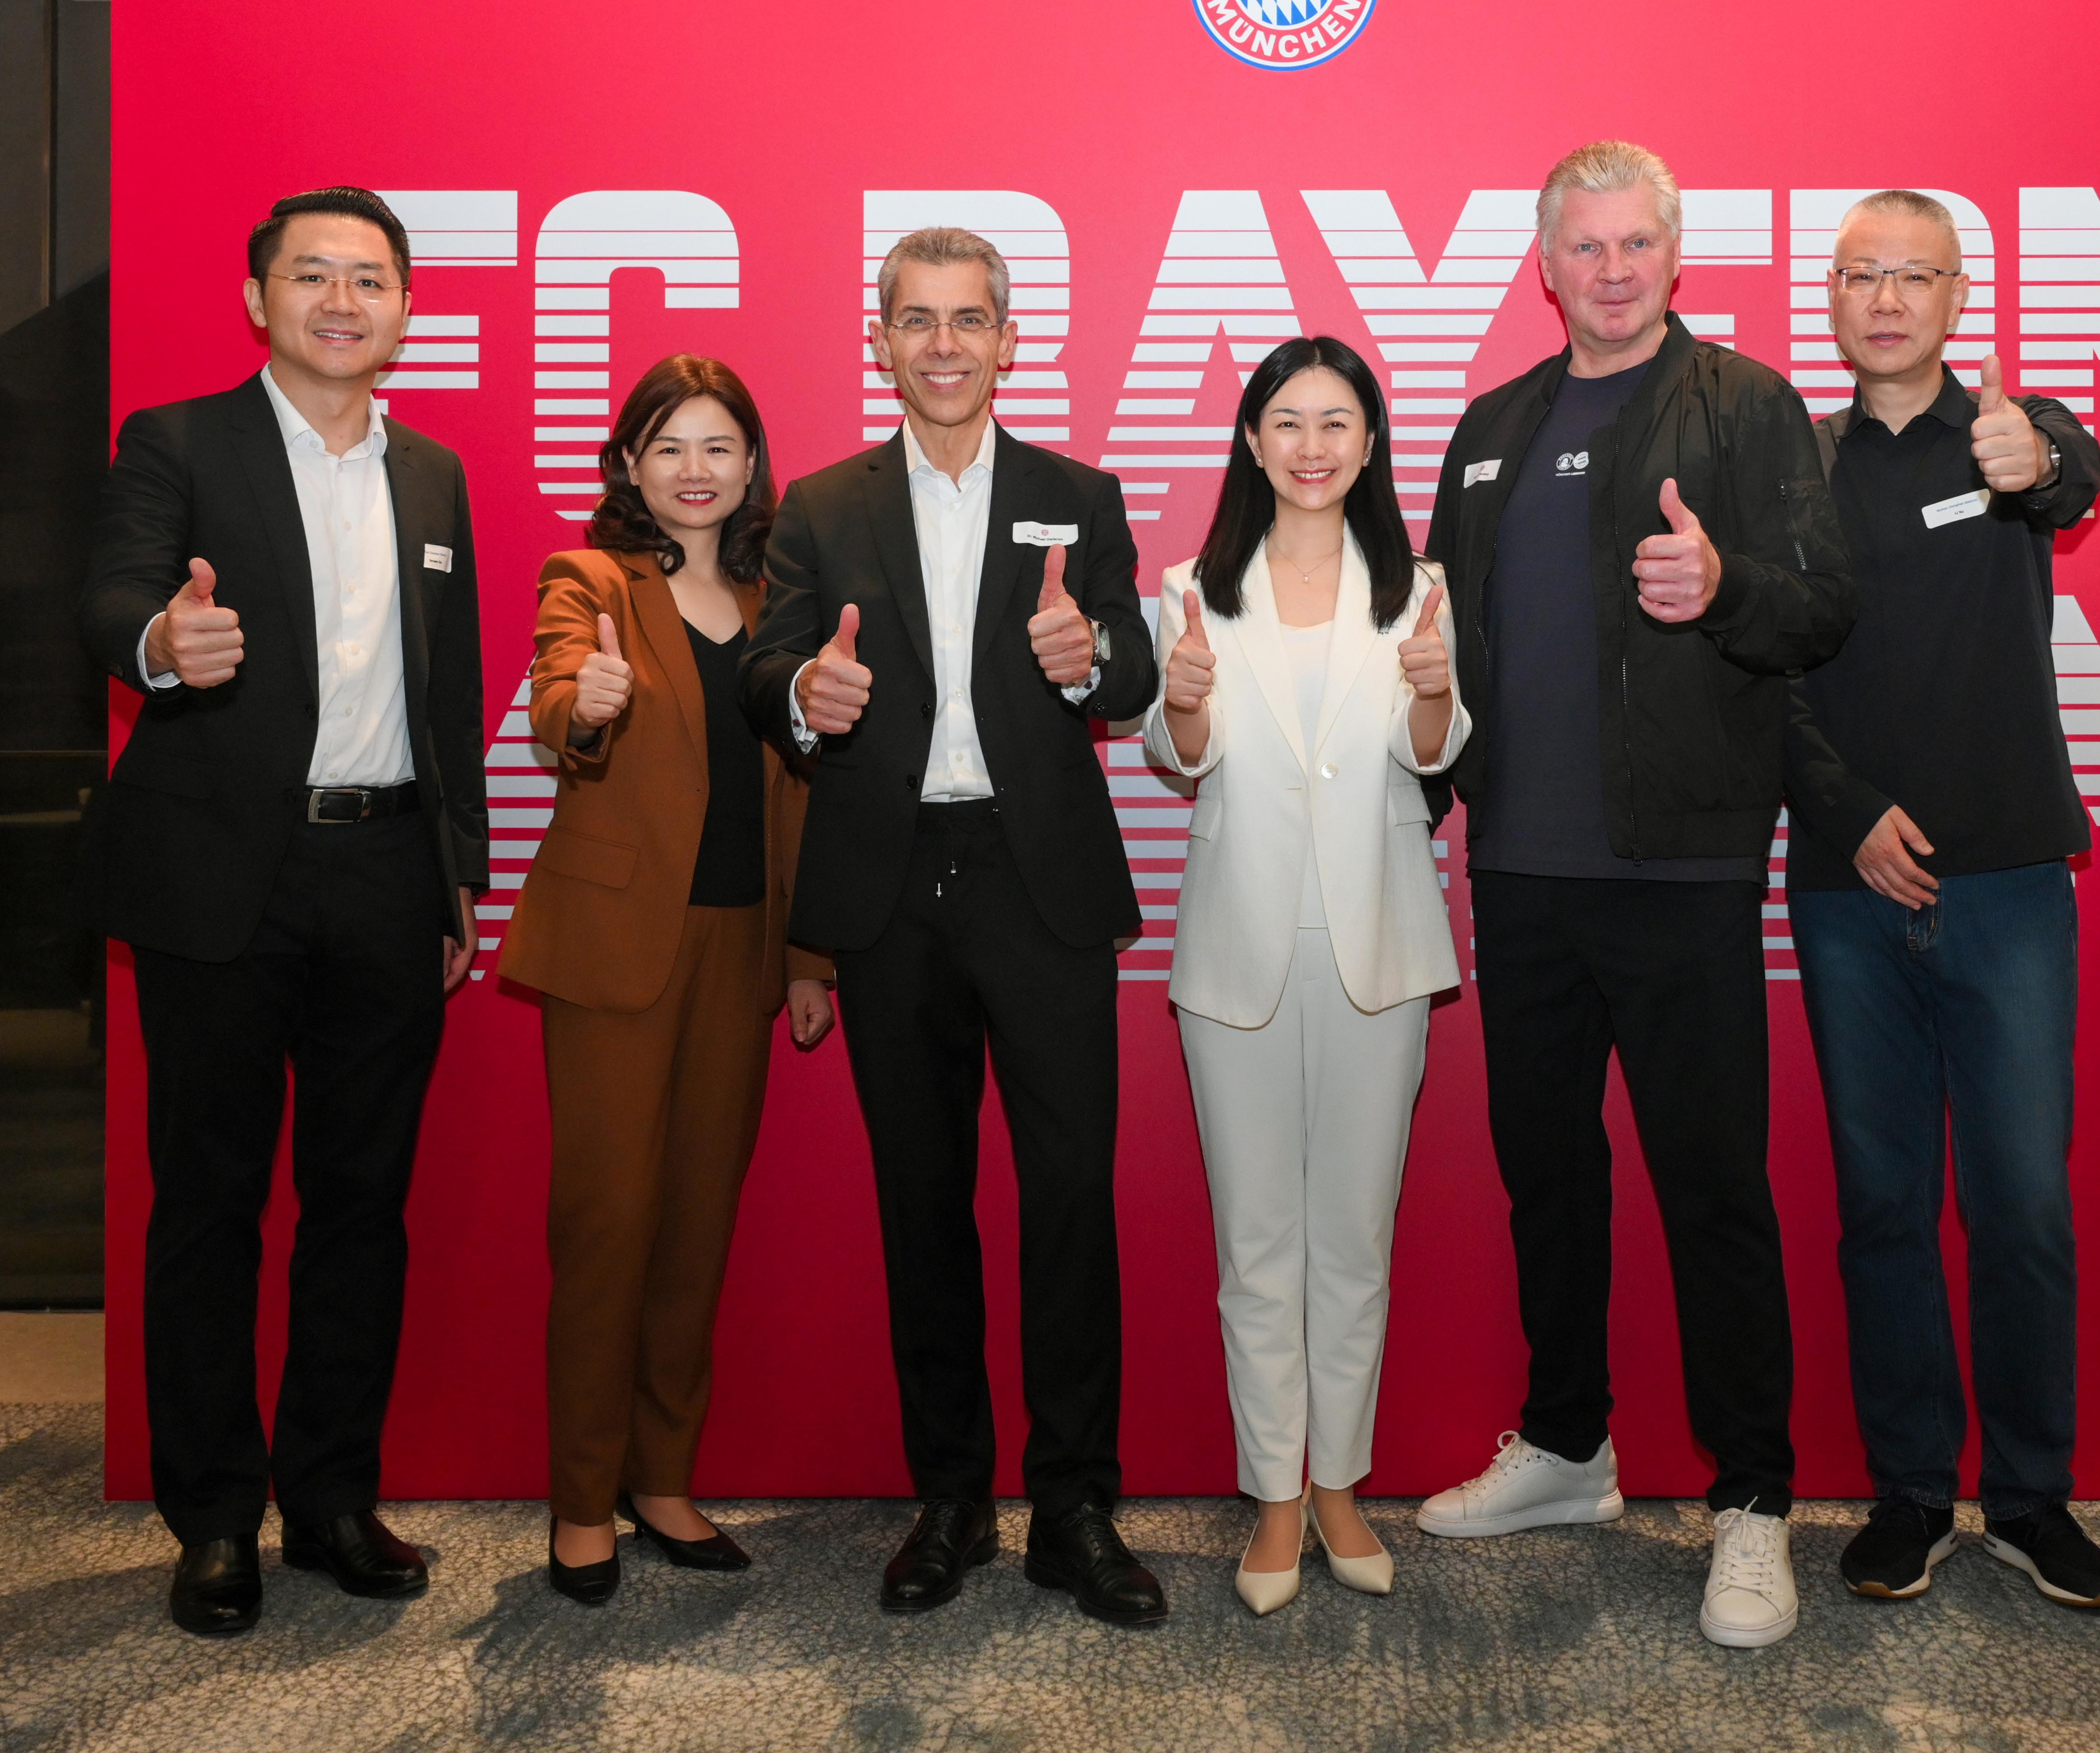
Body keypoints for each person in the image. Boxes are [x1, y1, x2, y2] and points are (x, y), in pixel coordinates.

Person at [1412, 140, 1857, 1649]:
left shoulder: (1745, 406)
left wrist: (1724, 587)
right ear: (1548, 266)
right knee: (1549, 1174)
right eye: (1584, 249)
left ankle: (1753, 1500)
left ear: (1675, 255)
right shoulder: (1492, 428)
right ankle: (1567, 1447)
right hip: (1520, 874)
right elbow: (1442, 643)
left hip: (1681, 870)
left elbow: (1822, 606)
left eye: (1636, 245)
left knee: (1714, 1188)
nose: (1611, 271)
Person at [738, 227, 1166, 1625]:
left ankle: (1076, 1506)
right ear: (880, 340)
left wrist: (1090, 656)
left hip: (1037, 886)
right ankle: (953, 1499)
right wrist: (807, 691)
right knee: (921, 1206)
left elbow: (1134, 663)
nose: (941, 345)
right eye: (914, 321)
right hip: (889, 888)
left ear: (1008, 338)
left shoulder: (1077, 493)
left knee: (1070, 1205)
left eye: (967, 320)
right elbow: (764, 663)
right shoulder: (818, 503)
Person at [75, 188, 484, 1636]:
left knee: (362, 1209)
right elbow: (112, 596)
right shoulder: (177, 444)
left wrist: (460, 883)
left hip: (386, 877)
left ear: (404, 309)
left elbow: (452, 700)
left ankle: (327, 1498)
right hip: (220, 885)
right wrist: (158, 644)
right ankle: (213, 1519)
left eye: (368, 279)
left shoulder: (431, 475)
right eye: (309, 276)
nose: (339, 300)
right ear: (258, 300)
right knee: (210, 1205)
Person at [1781, 190, 2100, 1611]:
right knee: (1881, 1207)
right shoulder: (1786, 462)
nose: (1887, 298)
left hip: (2004, 890)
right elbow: (1759, 671)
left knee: (2024, 1209)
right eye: (1863, 273)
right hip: (1846, 888)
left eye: (1915, 274)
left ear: (1957, 294)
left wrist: (2040, 450)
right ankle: (1916, 1492)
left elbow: (2074, 475)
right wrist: (1849, 815)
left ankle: (2033, 1497)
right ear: (1833, 293)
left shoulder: (2008, 433)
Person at [496, 355, 839, 1605]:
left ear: (752, 465)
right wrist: (579, 709)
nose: (697, 471)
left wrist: (808, 956)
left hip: (741, 948)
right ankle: (582, 1499)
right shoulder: (590, 580)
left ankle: (661, 1480)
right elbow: (555, 698)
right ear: (630, 465)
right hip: (614, 958)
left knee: (696, 1229)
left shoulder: (774, 597)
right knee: (605, 1231)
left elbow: (802, 787)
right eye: (670, 447)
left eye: (720, 448)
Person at [1148, 335, 1469, 1615]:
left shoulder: (1418, 584)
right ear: (1250, 440)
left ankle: (1342, 1483)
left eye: (1338, 423)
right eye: (1288, 422)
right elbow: (1186, 760)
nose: (1314, 446)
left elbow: (1434, 748)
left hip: (1378, 944)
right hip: (1238, 946)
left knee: (1354, 1235)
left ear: (1372, 443)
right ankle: (1273, 1498)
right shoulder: (1193, 582)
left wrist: (1438, 693)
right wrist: (1175, 705)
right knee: (1257, 1240)